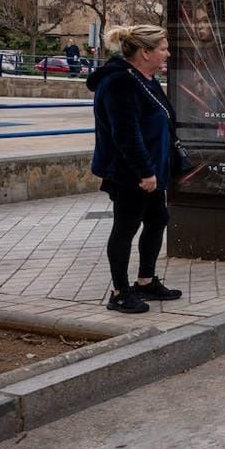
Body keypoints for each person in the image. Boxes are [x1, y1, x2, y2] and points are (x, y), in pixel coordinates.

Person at [87, 25, 184, 313]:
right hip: (130, 172)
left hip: (152, 169)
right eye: (163, 48)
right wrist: (145, 172)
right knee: (125, 227)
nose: (168, 53)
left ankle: (145, 281)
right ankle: (119, 292)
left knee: (157, 219)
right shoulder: (119, 82)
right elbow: (126, 133)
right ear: (145, 52)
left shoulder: (145, 79)